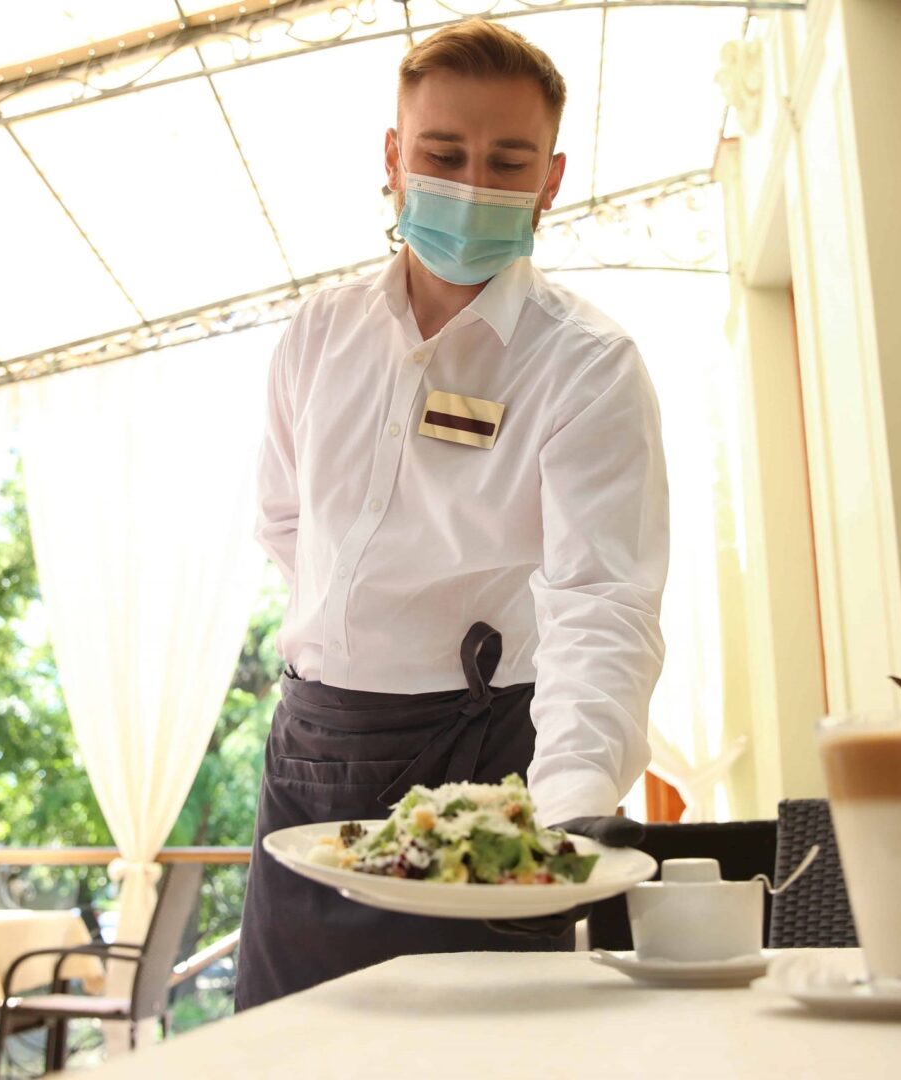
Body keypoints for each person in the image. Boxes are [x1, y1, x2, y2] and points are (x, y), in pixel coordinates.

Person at [235, 18, 669, 1010]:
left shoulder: (586, 365)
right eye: (443, 153)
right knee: (291, 1050)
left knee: (477, 1056)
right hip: (312, 749)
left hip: (481, 764)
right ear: (394, 158)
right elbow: (283, 523)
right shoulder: (318, 335)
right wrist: (356, 640)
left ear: (550, 180)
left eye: (506, 161)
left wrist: (563, 816)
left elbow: (601, 598)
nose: (471, 184)